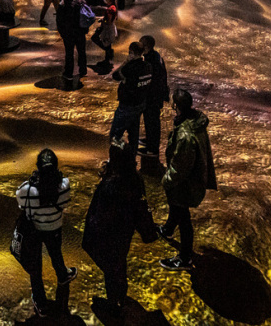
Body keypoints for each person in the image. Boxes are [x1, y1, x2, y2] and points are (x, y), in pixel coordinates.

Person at [83, 140, 157, 318]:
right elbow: (140, 208)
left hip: (109, 234)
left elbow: (101, 214)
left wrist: (92, 233)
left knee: (110, 269)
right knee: (119, 264)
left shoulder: (112, 185)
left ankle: (113, 306)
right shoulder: (135, 179)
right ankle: (121, 297)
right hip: (124, 234)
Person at [159, 89, 217, 271]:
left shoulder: (185, 134)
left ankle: (185, 258)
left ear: (176, 106)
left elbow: (181, 167)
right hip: (190, 178)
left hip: (185, 182)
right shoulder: (193, 121)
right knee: (176, 207)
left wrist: (166, 180)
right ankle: (168, 229)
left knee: (183, 217)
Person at [16, 149, 77, 318]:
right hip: (55, 228)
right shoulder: (64, 185)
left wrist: (33, 181)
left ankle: (41, 304)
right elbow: (65, 203)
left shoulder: (29, 190)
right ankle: (63, 275)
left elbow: (19, 200)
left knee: (35, 267)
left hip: (34, 231)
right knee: (56, 253)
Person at [109, 42, 153, 159]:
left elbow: (115, 75)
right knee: (134, 134)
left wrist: (125, 62)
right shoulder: (148, 66)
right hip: (139, 104)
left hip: (127, 105)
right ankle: (132, 159)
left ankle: (114, 160)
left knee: (115, 135)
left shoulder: (130, 67)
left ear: (132, 53)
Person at [139, 35, 170, 163]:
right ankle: (150, 140)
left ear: (146, 46)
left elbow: (153, 80)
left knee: (152, 121)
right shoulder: (155, 56)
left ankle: (152, 149)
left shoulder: (150, 60)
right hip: (156, 95)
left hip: (153, 97)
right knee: (151, 121)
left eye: (141, 44)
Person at [57, 0, 88, 80]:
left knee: (69, 53)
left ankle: (69, 73)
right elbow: (87, 17)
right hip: (80, 33)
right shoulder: (82, 3)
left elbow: (59, 21)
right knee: (82, 52)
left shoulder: (63, 4)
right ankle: (83, 70)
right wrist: (85, 30)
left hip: (68, 34)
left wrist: (62, 33)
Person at [91, 0, 118, 66]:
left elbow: (108, 21)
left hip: (107, 29)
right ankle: (107, 59)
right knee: (108, 44)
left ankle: (109, 54)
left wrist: (103, 21)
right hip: (110, 27)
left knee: (97, 39)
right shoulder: (113, 7)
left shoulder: (110, 9)